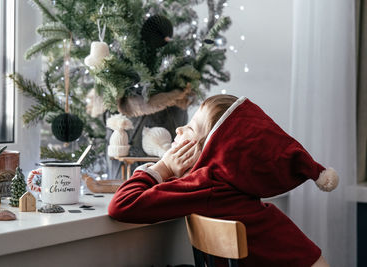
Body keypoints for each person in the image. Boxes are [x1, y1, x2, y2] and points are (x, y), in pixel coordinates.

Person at [108, 94, 338, 267]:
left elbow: (122, 206)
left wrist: (164, 167)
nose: (178, 128)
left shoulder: (207, 182)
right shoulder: (221, 180)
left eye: (189, 129)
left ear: (210, 150)